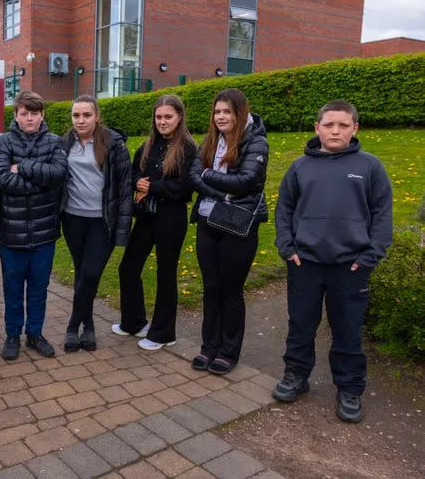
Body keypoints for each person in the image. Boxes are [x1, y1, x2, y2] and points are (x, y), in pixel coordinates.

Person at [273, 100, 392, 423]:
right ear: (317, 128)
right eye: (329, 125)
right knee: (300, 325)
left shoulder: (370, 167)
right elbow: (283, 210)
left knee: (348, 330)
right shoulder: (299, 167)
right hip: (305, 263)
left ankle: (350, 388)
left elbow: (382, 216)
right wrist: (287, 247)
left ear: (355, 128)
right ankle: (296, 376)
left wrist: (370, 255)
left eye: (343, 125)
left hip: (350, 267)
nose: (335, 131)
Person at [189, 88, 268, 375]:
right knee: (211, 288)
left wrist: (210, 176)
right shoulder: (210, 141)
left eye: (227, 112)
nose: (221, 117)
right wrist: (221, 190)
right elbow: (192, 176)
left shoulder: (256, 142)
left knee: (231, 290)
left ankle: (228, 351)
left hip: (238, 224)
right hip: (209, 220)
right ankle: (208, 347)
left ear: (240, 113)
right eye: (217, 111)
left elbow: (245, 181)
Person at [113, 94, 197, 351]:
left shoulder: (188, 148)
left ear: (179, 117)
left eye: (168, 117)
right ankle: (134, 322)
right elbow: (136, 171)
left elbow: (185, 187)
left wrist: (153, 187)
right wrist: (138, 182)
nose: (162, 122)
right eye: (159, 117)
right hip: (147, 214)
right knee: (128, 267)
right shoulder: (149, 144)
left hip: (171, 217)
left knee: (165, 273)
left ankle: (163, 333)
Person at [0, 90, 68, 360]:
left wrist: (21, 166)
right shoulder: (4, 142)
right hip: (12, 234)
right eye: (24, 113)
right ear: (16, 115)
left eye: (34, 113)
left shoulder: (55, 142)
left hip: (44, 233)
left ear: (42, 114)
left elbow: (58, 174)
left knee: (38, 289)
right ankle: (13, 334)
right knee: (12, 290)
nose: (29, 118)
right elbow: (1, 178)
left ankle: (34, 333)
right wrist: (39, 178)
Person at [61, 95, 132, 352]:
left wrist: (123, 231)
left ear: (97, 116)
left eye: (86, 115)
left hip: (103, 222)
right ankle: (88, 327)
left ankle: (72, 325)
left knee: (91, 274)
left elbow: (125, 189)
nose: (80, 120)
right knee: (82, 274)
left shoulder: (114, 144)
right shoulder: (64, 143)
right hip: (72, 219)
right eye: (76, 115)